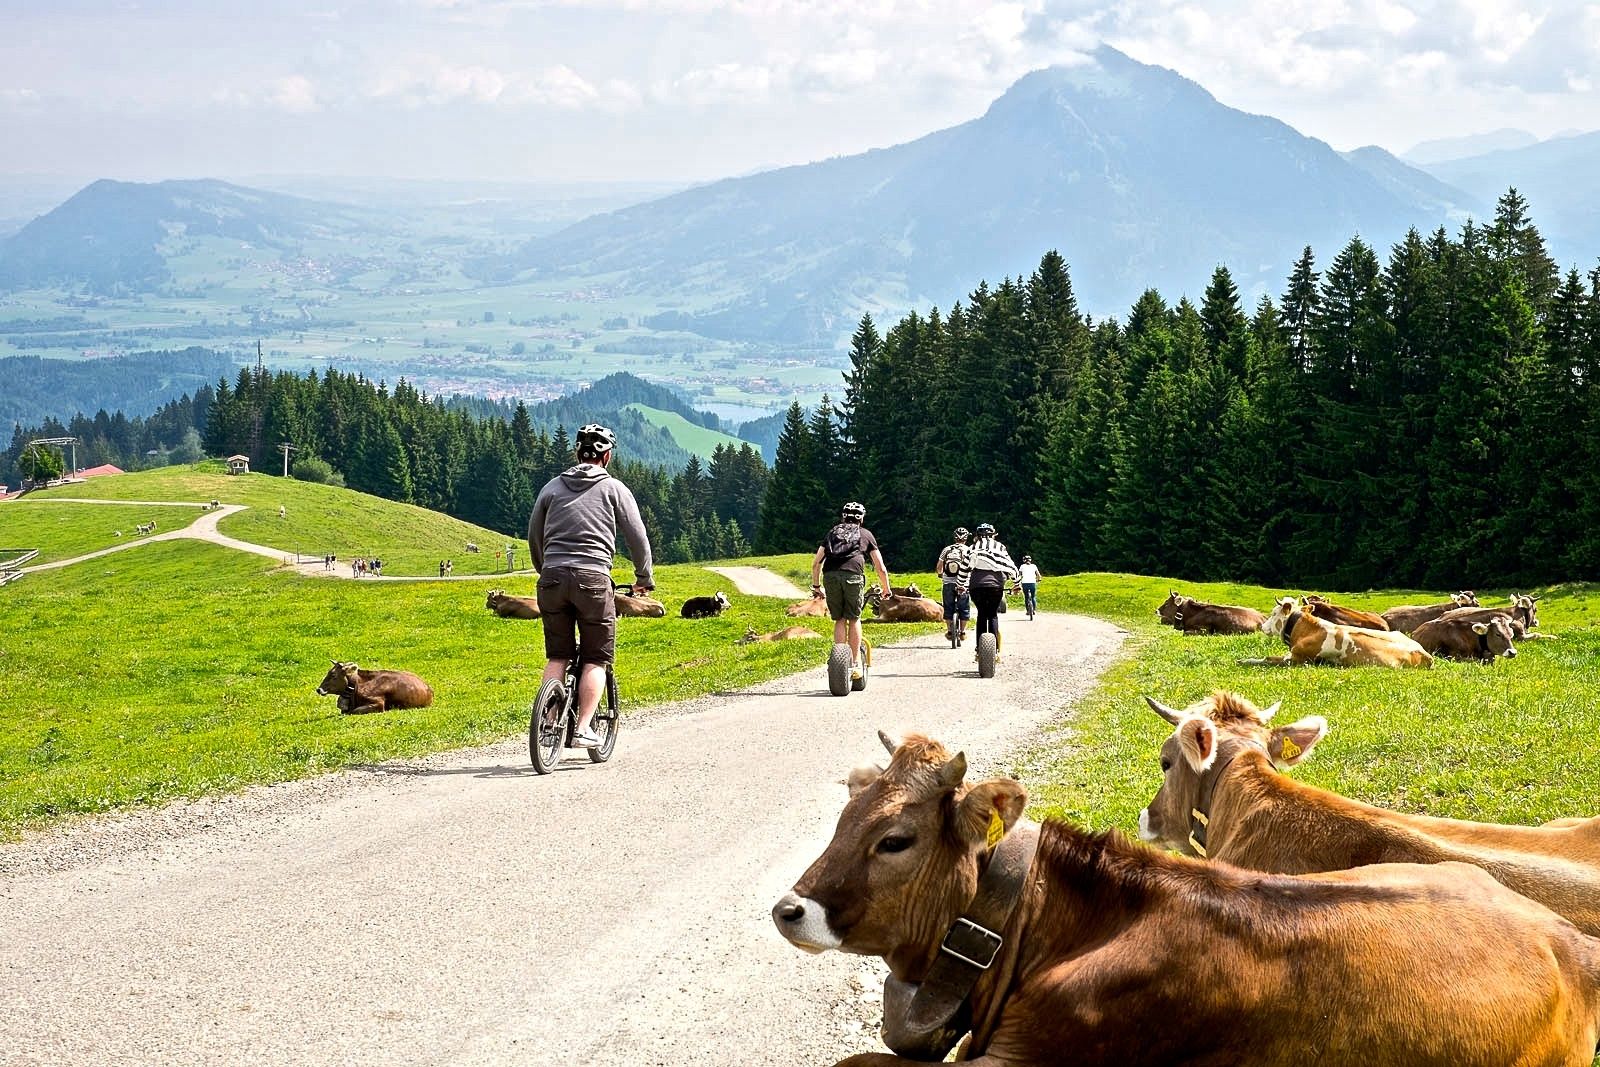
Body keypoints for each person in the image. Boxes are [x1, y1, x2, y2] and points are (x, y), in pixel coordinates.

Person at [528, 423, 654, 749]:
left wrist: (546, 570)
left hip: (552, 578)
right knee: (596, 658)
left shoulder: (551, 487)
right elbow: (637, 537)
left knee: (558, 655)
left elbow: (534, 535)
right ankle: (583, 727)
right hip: (593, 579)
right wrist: (644, 578)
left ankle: (549, 722)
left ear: (577, 453)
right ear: (607, 456)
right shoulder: (614, 489)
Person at [810, 501, 892, 682]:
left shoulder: (832, 533)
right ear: (861, 518)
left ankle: (841, 660)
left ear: (843, 517)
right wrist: (886, 589)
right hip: (853, 577)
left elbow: (816, 563)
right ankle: (854, 664)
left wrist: (816, 587)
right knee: (854, 619)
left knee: (839, 619)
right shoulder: (866, 534)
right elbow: (880, 567)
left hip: (830, 577)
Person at [956, 522, 1020, 658]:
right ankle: (995, 651)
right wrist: (1017, 584)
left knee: (981, 615)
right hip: (996, 586)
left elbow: (964, 569)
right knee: (992, 615)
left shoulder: (972, 548)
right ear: (993, 535)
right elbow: (1010, 565)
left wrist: (960, 585)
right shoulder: (1000, 547)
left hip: (976, 586)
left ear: (977, 535)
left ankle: (979, 650)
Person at [934, 527, 973, 643]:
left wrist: (940, 574)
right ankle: (962, 632)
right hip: (963, 584)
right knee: (964, 608)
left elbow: (939, 567)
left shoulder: (947, 549)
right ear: (966, 538)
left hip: (948, 583)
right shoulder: (969, 550)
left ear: (954, 538)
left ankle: (950, 631)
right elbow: (972, 566)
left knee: (948, 607)